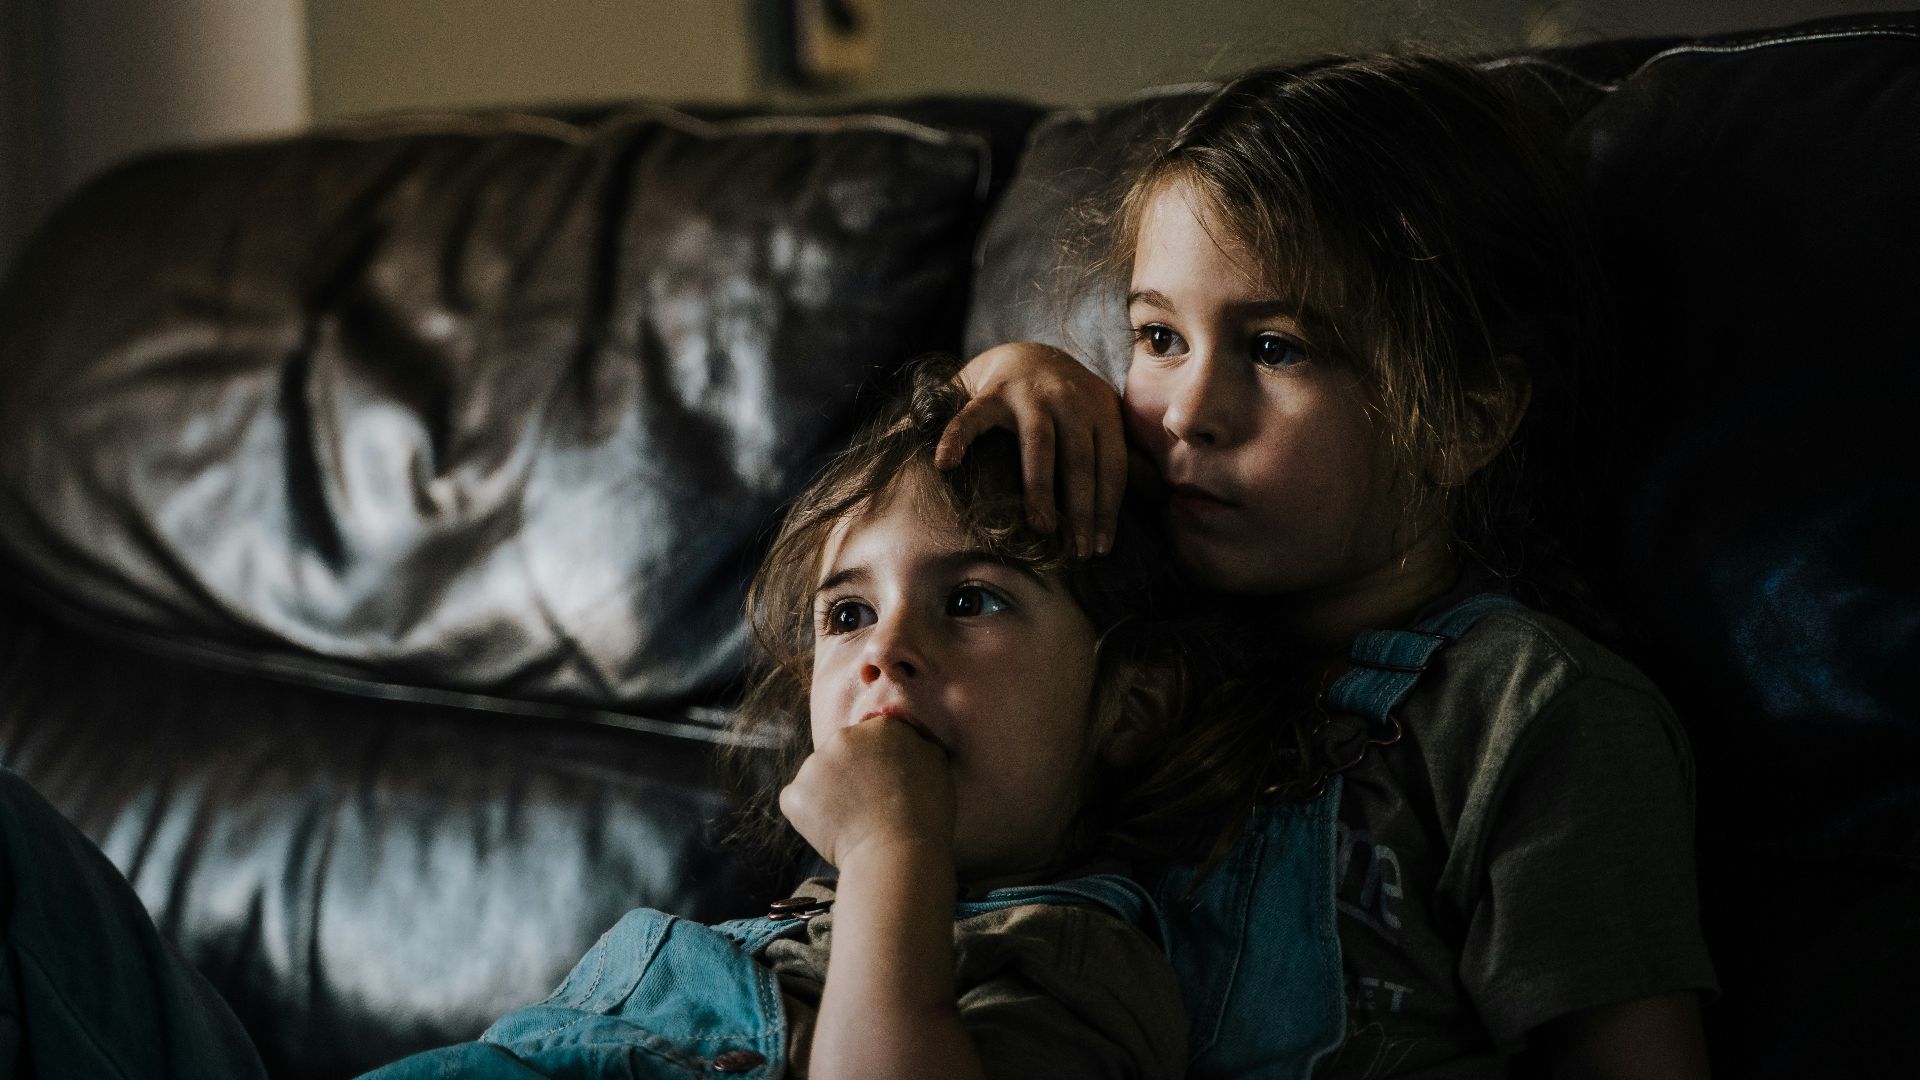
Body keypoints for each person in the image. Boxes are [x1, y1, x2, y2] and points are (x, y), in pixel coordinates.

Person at [936, 55, 1718, 1078]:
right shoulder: (1122, 636)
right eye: (1158, 336)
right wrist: (1004, 380)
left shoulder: (1532, 710)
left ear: (1465, 417)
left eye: (1275, 349)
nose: (1186, 412)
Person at [354, 357, 1286, 1080]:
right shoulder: (804, 916)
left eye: (970, 602)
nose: (886, 650)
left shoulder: (1068, 954)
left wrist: (890, 853)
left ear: (1128, 708)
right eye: (848, 615)